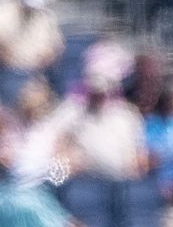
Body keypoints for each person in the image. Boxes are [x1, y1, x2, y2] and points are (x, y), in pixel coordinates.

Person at [61, 43, 147, 181]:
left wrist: (137, 168)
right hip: (86, 181)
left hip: (122, 182)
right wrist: (69, 165)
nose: (98, 94)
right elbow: (60, 153)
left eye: (102, 90)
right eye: (94, 90)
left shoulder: (127, 115)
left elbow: (139, 157)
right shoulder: (73, 111)